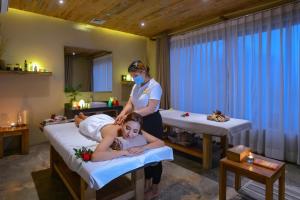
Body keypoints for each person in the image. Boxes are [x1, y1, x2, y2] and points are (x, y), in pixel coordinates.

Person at [115, 60, 164, 199]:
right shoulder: (136, 85)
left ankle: (155, 188)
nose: (133, 78)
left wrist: (129, 116)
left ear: (143, 72)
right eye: (132, 75)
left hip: (152, 121)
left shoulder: (155, 86)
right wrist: (122, 113)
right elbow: (130, 103)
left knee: (154, 155)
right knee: (142, 152)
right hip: (138, 122)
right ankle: (146, 184)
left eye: (135, 75)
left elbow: (150, 108)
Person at [75, 112, 164, 161]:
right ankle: (78, 117)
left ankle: (83, 115)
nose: (130, 134)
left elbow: (160, 142)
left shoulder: (136, 129)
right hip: (95, 125)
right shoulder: (113, 134)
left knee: (86, 117)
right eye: (127, 128)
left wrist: (143, 148)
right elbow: (95, 156)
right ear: (122, 124)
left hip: (107, 119)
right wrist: (123, 152)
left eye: (135, 131)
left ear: (138, 130)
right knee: (80, 122)